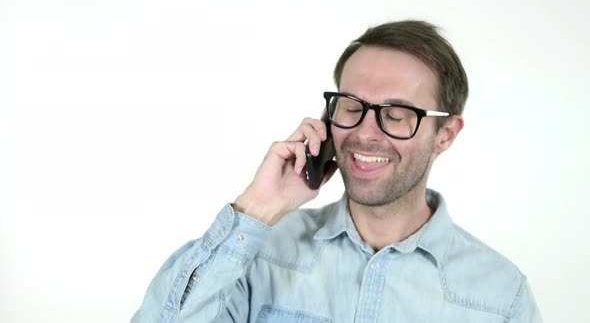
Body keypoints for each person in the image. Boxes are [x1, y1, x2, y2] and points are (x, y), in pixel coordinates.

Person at [132, 20, 542, 322]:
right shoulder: (258, 255)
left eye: (396, 115)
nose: (365, 134)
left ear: (445, 134)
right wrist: (257, 208)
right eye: (351, 107)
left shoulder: (500, 296)